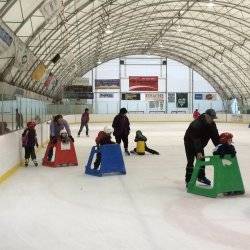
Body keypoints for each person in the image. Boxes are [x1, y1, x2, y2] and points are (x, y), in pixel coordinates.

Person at [184, 108, 220, 186]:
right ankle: (188, 180)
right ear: (206, 116)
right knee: (190, 161)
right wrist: (199, 151)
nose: (212, 120)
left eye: (213, 118)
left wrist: (219, 147)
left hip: (200, 144)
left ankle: (201, 177)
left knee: (202, 160)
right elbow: (196, 139)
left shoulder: (212, 124)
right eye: (211, 118)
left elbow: (215, 137)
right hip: (189, 142)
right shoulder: (196, 124)